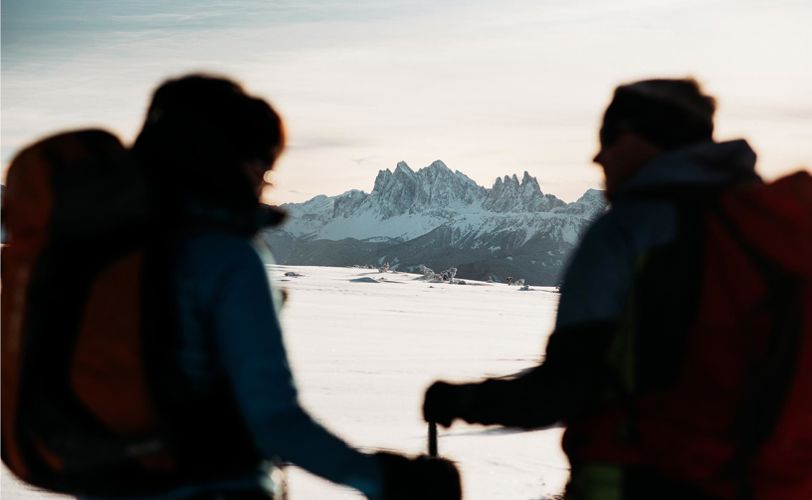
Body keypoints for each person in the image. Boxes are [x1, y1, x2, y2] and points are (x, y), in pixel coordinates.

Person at [422, 78, 794, 499]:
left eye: (609, 137)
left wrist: (462, 401)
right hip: (768, 481)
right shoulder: (772, 230)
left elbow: (569, 385)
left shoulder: (627, 231)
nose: (598, 155)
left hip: (643, 481)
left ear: (642, 138)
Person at [132, 74, 461, 500]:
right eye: (260, 167)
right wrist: (390, 479)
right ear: (223, 160)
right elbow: (271, 419)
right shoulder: (224, 256)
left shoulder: (103, 247)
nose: (264, 183)